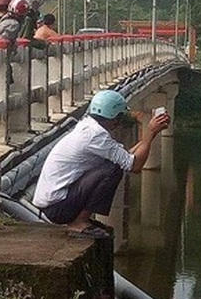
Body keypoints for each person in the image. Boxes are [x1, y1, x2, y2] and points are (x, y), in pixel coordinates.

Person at [32, 89, 170, 237]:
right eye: (120, 116)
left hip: (55, 204)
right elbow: (134, 166)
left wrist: (150, 135)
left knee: (114, 165)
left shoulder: (88, 127)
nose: (120, 121)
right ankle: (79, 222)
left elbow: (125, 158)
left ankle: (80, 219)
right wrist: (150, 132)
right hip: (58, 208)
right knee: (113, 170)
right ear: (113, 116)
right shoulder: (96, 136)